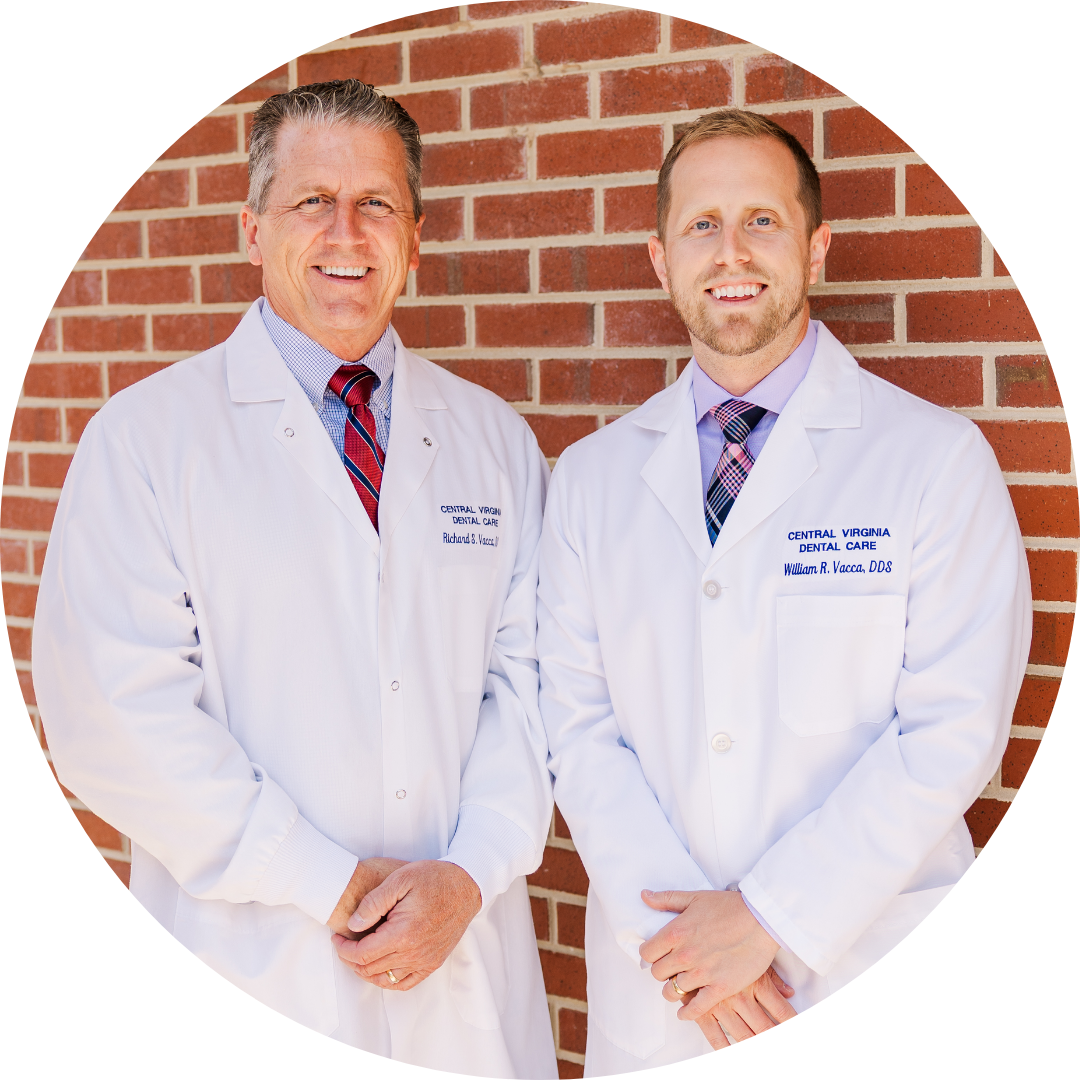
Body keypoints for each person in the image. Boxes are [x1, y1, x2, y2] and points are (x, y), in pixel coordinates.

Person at [34, 79, 556, 1078]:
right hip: (253, 970)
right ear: (252, 225)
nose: (346, 233)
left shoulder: (495, 440)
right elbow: (116, 720)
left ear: (414, 236)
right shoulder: (147, 442)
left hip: (464, 960)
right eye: (313, 201)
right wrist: (331, 882)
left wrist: (466, 872)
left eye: (377, 205)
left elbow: (532, 688)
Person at [536, 108, 1031, 1074]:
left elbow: (952, 730)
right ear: (659, 257)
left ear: (816, 244)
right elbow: (577, 729)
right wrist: (689, 952)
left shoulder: (932, 460)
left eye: (762, 220)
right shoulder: (591, 480)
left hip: (855, 968)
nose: (732, 252)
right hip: (664, 990)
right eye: (701, 225)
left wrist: (770, 917)